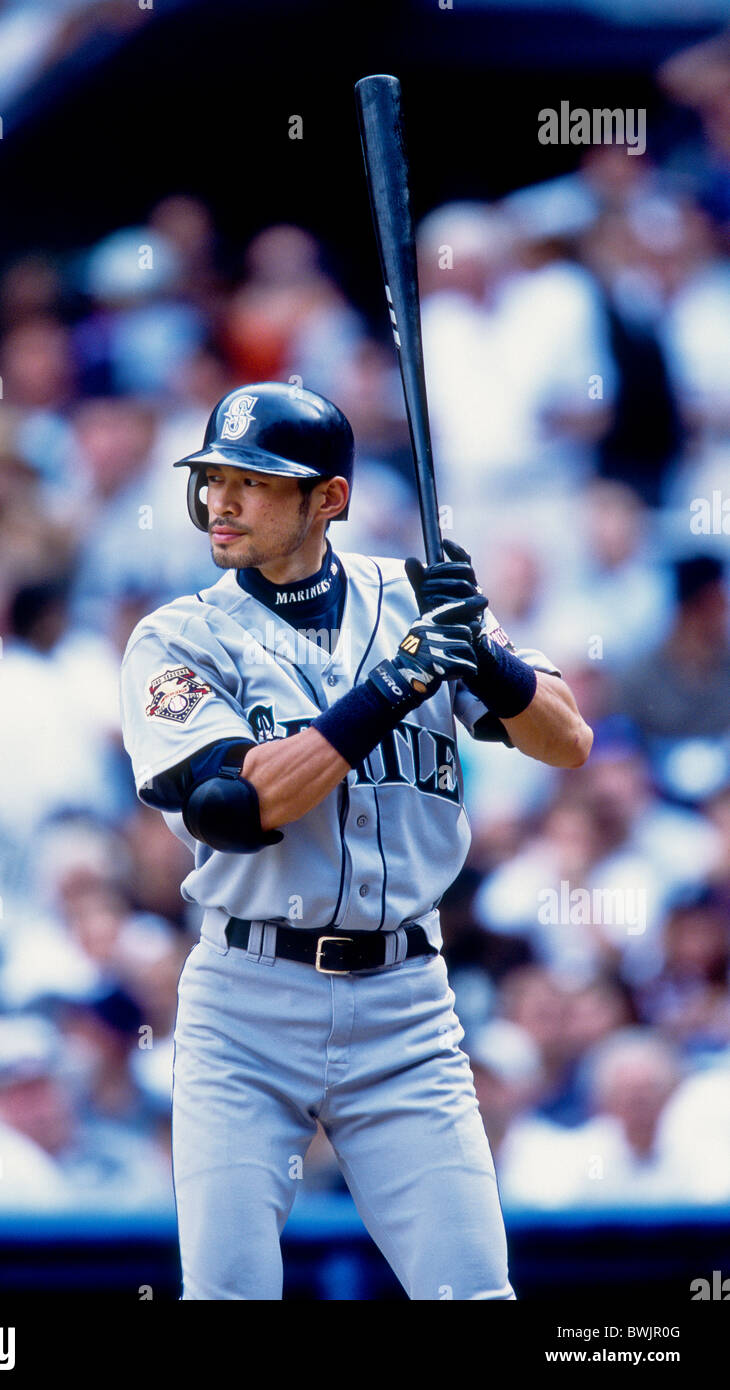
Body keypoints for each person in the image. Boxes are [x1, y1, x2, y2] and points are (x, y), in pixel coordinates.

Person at [119, 381, 593, 1301]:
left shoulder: (413, 595)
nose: (221, 500)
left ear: (326, 498)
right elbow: (240, 808)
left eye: (253, 481)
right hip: (245, 1004)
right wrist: (395, 686)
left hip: (406, 1006)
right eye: (214, 476)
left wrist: (484, 661)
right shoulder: (178, 635)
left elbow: (568, 741)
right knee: (228, 1296)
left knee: (473, 1293)